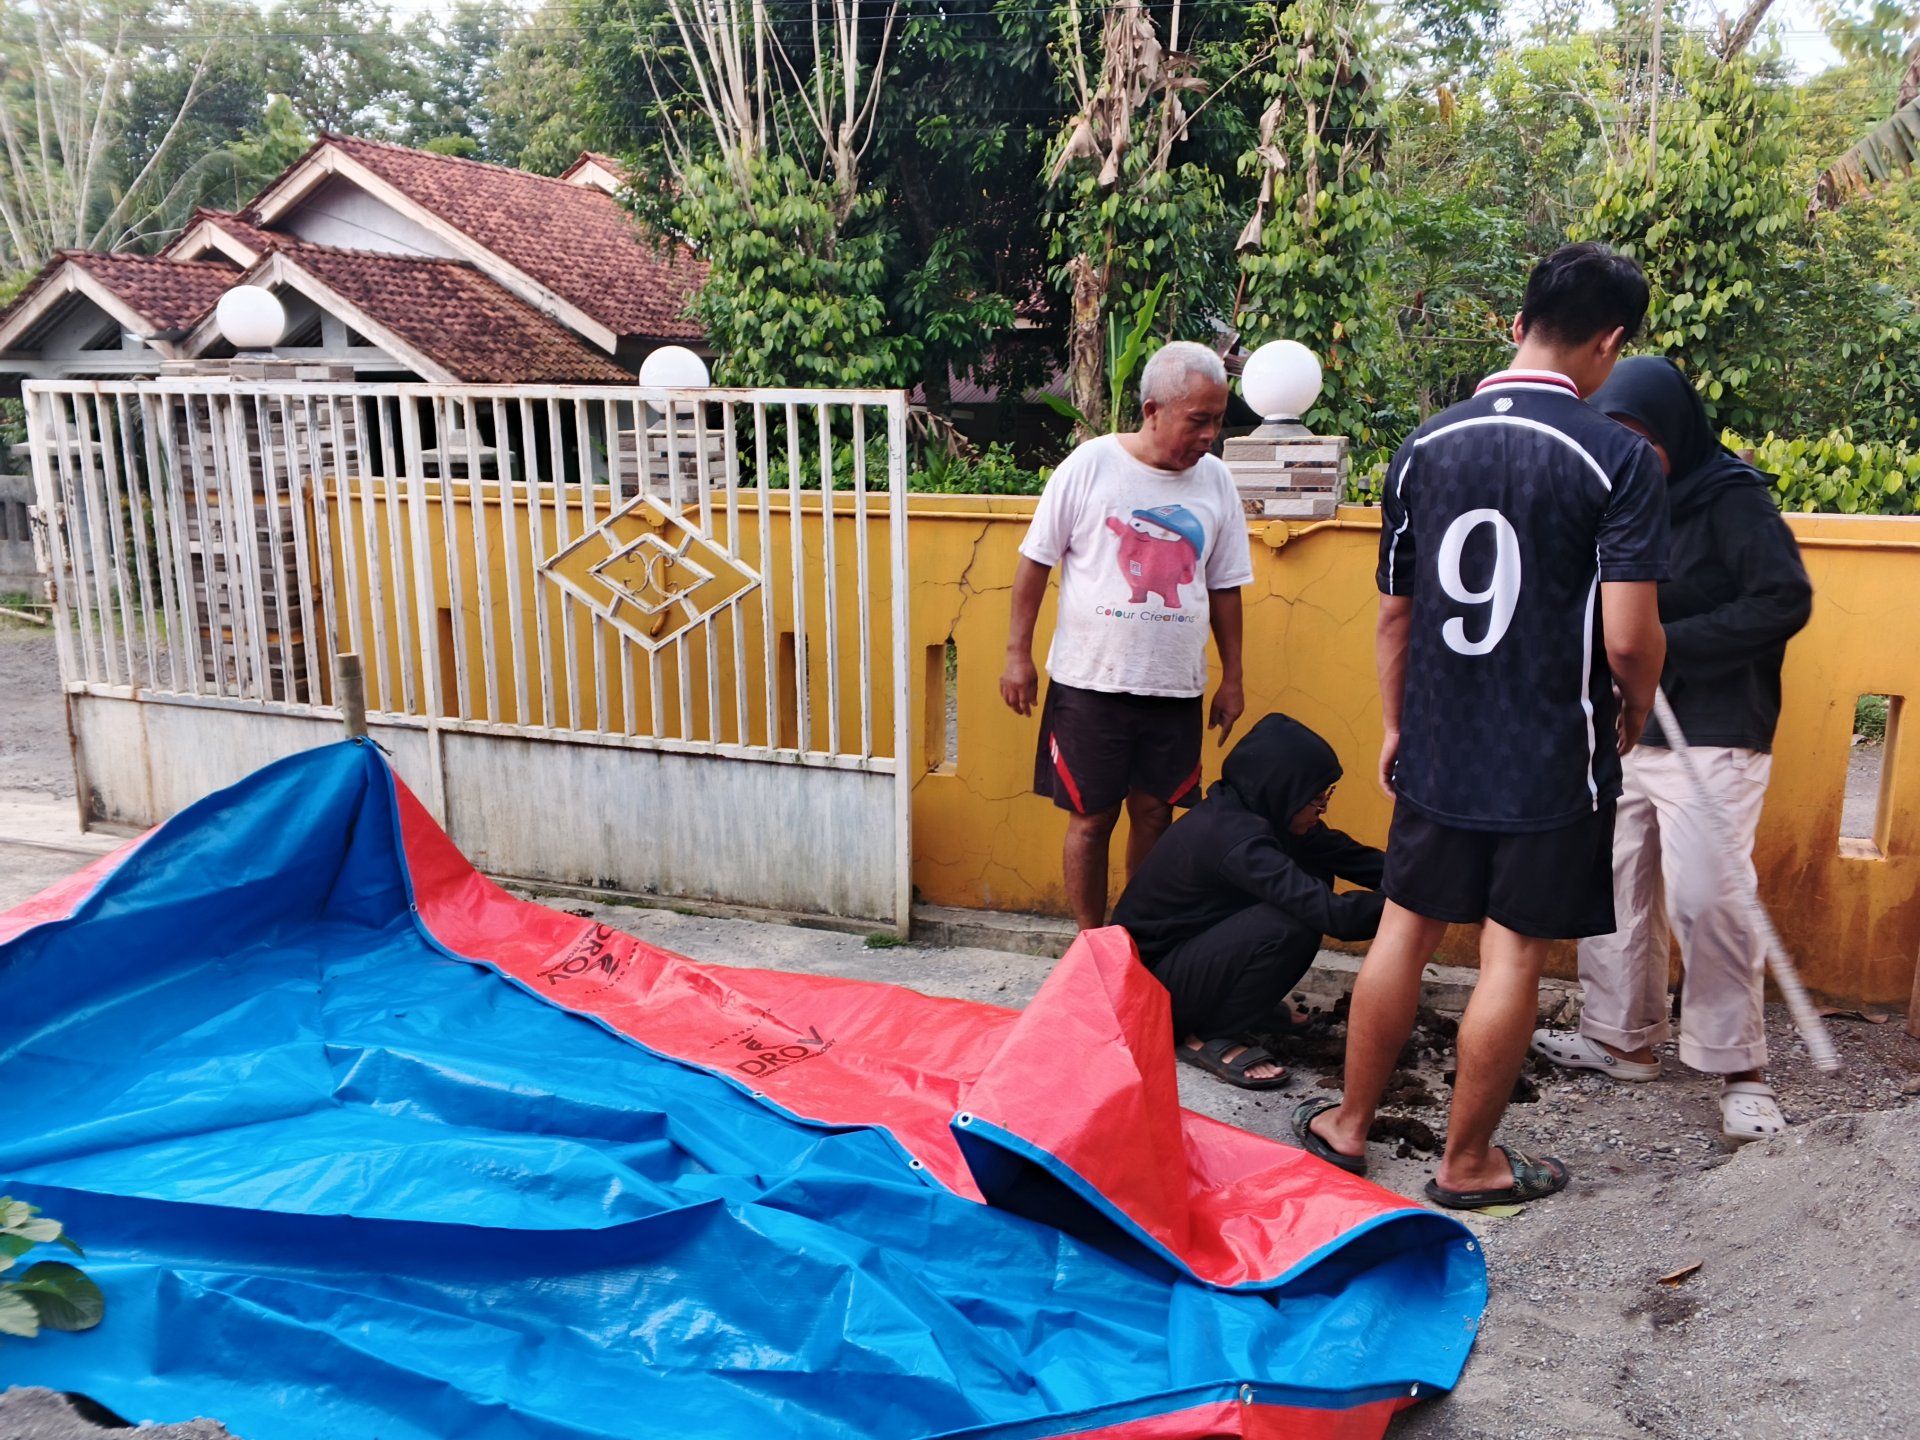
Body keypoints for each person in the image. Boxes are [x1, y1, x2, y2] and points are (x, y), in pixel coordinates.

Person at [1293, 242, 1669, 1208]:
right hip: (1550, 756)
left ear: (1516, 325)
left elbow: (1395, 613)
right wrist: (1628, 712)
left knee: (1402, 936)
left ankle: (1345, 1127)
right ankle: (1467, 1166)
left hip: (1439, 745)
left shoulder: (1422, 447)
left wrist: (1394, 724)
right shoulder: (1619, 457)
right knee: (1511, 955)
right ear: (1610, 344)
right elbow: (1629, 637)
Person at [1530, 357, 1813, 1144]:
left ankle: (1739, 1069)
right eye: (1611, 433)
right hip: (1625, 729)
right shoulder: (1616, 497)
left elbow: (1782, 599)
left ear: (1674, 431)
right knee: (1613, 889)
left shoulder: (1732, 500)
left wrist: (1665, 648)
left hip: (1716, 730)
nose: (1625, 449)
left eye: (1638, 437)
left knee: (1709, 897)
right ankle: (1619, 1039)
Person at [1000, 341, 1254, 932]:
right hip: (1090, 684)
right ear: (1152, 410)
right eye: (1199, 420)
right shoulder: (1090, 466)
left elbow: (1226, 588)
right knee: (1091, 819)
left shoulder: (1216, 482)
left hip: (1174, 689)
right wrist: (1018, 656)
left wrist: (1233, 678)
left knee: (1155, 816)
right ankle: (1091, 941)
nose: (1210, 435)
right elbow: (1034, 563)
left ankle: (1136, 936)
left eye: (1217, 419)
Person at [1112, 713, 1386, 1089]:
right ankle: (1210, 1033)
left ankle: (1239, 1007)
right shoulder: (1234, 839)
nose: (1322, 808)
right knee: (1293, 922)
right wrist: (1410, 904)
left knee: (1313, 871)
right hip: (1149, 994)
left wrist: (1431, 879)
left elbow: (1348, 856)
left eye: (1326, 795)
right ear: (1282, 789)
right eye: (1316, 798)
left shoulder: (1259, 812)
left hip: (1183, 961)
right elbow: (1335, 916)